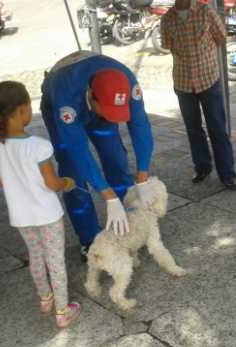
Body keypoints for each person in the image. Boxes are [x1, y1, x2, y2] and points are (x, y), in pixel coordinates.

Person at [0, 81, 82, 329]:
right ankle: (62, 311)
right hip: (47, 214)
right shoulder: (38, 146)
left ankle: (45, 299)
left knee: (36, 256)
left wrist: (14, 178)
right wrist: (67, 182)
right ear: (22, 109)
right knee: (55, 260)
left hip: (21, 216)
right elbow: (52, 184)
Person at [40, 51, 156, 261]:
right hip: (60, 101)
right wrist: (107, 195)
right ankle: (90, 240)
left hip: (97, 99)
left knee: (116, 158)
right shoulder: (66, 96)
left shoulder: (127, 82)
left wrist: (143, 175)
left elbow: (140, 127)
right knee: (73, 172)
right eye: (108, 111)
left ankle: (129, 226)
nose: (111, 118)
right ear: (91, 95)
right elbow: (77, 150)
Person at [160, 0, 236, 190]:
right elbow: (167, 45)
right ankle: (202, 167)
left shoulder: (206, 11)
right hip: (183, 83)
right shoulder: (167, 19)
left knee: (217, 128)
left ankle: (227, 174)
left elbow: (221, 37)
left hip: (209, 79)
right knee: (193, 129)